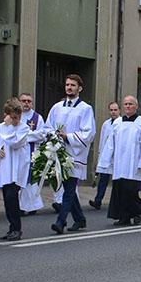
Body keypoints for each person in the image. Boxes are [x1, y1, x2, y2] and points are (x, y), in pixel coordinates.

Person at [47, 74, 96, 234]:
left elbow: (89, 133)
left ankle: (61, 221)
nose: (69, 87)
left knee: (69, 189)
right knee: (68, 186)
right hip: (59, 153)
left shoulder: (85, 109)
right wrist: (54, 137)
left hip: (75, 154)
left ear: (79, 88)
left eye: (73, 85)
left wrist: (68, 137)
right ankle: (80, 219)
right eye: (67, 84)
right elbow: (48, 127)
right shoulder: (57, 107)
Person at [98, 95, 141, 226]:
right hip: (119, 162)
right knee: (120, 191)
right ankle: (124, 217)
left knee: (130, 191)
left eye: (131, 104)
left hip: (134, 163)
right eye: (126, 104)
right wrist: (105, 161)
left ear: (136, 106)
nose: (128, 106)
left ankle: (138, 209)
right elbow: (110, 143)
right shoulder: (117, 123)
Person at [0, 98, 30, 241]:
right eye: (13, 117)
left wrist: (10, 126)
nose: (16, 120)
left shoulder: (23, 128)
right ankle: (11, 227)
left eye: (18, 117)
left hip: (18, 169)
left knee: (12, 197)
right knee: (7, 199)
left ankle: (17, 228)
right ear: (6, 114)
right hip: (5, 168)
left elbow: (15, 143)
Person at [18, 93, 47, 216]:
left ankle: (32, 206)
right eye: (23, 101)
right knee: (20, 180)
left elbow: (42, 134)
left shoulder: (37, 118)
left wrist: (24, 137)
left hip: (32, 152)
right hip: (18, 154)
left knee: (31, 180)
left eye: (29, 101)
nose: (26, 103)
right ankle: (21, 206)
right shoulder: (15, 116)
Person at [89, 101, 121, 210]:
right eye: (111, 110)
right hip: (106, 156)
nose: (113, 112)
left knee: (117, 182)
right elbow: (102, 141)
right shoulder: (106, 124)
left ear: (119, 111)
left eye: (115, 110)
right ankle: (98, 200)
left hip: (117, 157)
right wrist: (100, 156)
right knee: (103, 180)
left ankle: (116, 202)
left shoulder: (122, 123)